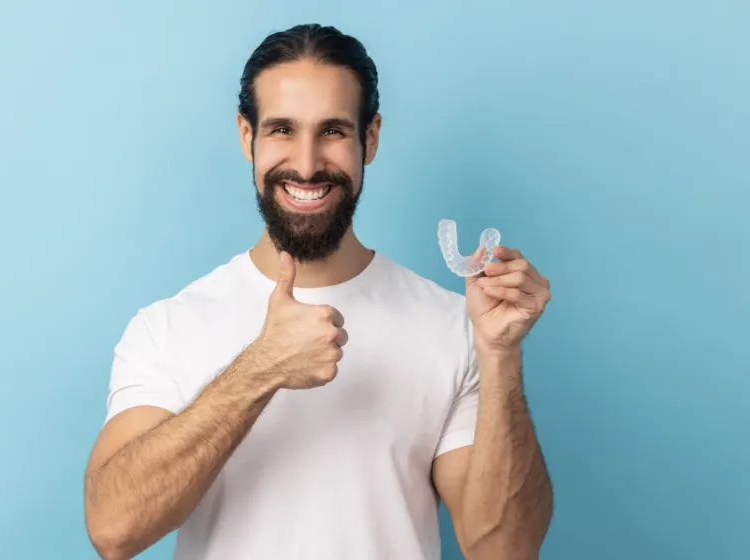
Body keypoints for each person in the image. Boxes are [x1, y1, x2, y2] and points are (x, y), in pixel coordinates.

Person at [83, 23, 553, 560]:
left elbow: (505, 550)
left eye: (331, 131)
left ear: (369, 138)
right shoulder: (166, 328)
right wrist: (260, 369)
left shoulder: (452, 327)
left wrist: (500, 355)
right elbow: (113, 530)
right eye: (283, 129)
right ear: (247, 136)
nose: (306, 165)